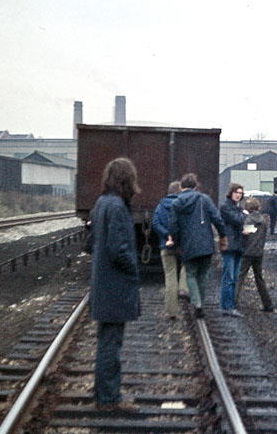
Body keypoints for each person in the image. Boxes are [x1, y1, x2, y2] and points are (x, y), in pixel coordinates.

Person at [87, 157, 141, 411]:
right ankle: (109, 399)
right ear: (126, 179)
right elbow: (119, 249)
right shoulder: (117, 206)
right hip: (115, 285)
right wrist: (134, 269)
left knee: (105, 342)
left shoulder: (101, 202)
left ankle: (102, 395)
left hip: (104, 284)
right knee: (111, 344)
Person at [169, 173, 227, 318]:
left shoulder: (176, 203)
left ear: (181, 187)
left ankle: (197, 303)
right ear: (195, 186)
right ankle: (200, 302)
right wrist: (223, 236)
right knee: (203, 275)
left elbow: (173, 227)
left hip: (187, 244)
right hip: (206, 243)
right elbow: (217, 219)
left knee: (190, 274)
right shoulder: (204, 199)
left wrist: (176, 243)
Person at [152, 181, 189, 319]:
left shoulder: (161, 205)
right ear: (179, 191)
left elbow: (155, 223)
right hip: (182, 244)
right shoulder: (183, 205)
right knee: (188, 265)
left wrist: (166, 235)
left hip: (166, 245)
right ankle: (184, 288)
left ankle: (172, 311)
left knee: (170, 276)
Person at [236, 198, 274, 312]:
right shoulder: (263, 220)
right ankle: (268, 304)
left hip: (247, 252)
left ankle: (232, 302)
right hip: (259, 253)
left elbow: (245, 234)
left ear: (248, 208)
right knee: (259, 279)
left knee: (239, 277)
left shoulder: (248, 220)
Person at [220, 183, 247, 317]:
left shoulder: (237, 208)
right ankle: (227, 307)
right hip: (230, 246)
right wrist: (245, 214)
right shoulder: (226, 207)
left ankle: (229, 305)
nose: (238, 195)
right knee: (229, 277)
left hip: (237, 246)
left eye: (240, 193)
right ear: (231, 193)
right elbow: (237, 220)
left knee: (233, 277)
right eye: (236, 192)